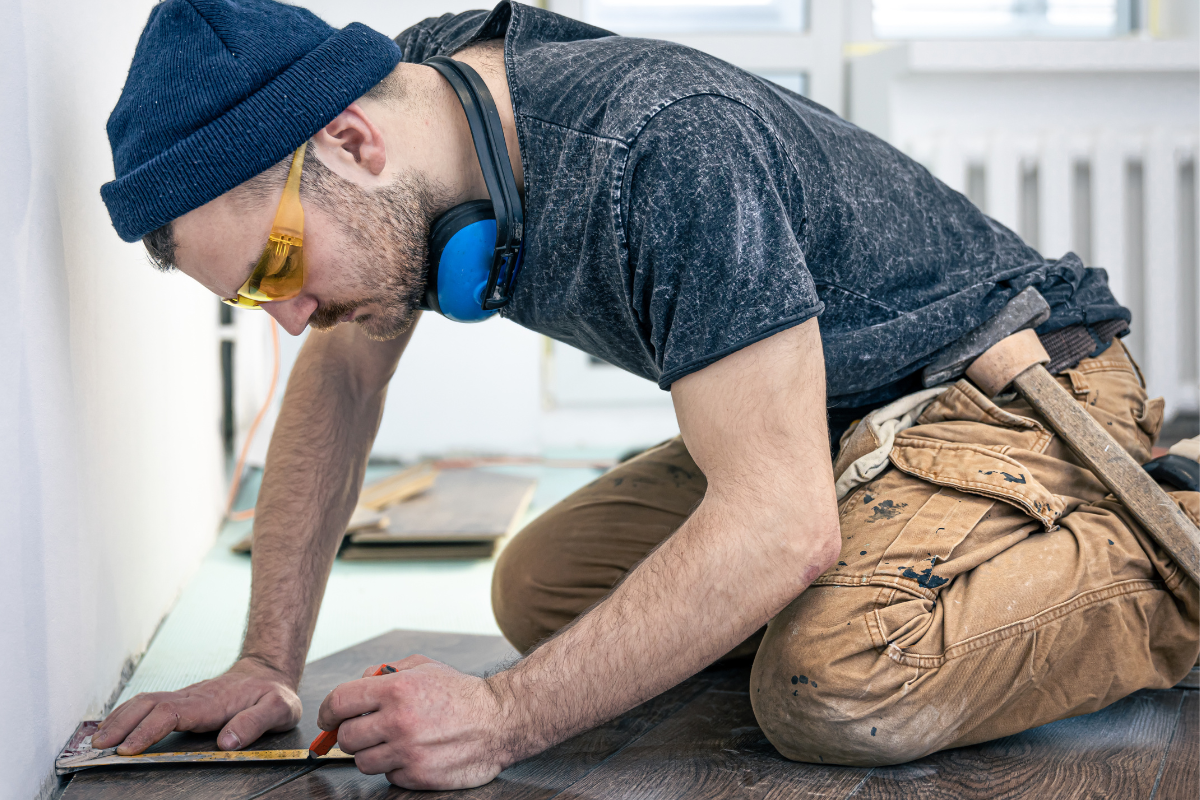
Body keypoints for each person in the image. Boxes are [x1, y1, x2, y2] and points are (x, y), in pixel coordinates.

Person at [91, 0, 1198, 790]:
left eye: (279, 269)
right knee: (542, 590)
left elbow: (778, 520)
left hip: (1007, 385)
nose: (290, 318)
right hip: (839, 413)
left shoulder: (661, 146)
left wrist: (502, 716)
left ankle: (1169, 528)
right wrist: (265, 663)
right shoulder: (423, 107)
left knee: (838, 681)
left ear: (351, 140)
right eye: (254, 298)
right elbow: (338, 380)